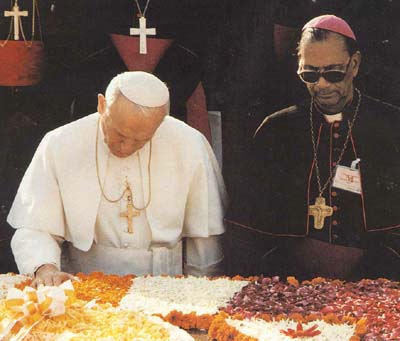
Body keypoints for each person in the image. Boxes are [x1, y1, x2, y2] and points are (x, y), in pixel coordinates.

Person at [8, 71, 227, 286]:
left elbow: (206, 236)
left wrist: (201, 290)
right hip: (82, 283)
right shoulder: (59, 143)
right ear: (102, 105)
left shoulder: (190, 144)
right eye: (120, 135)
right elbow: (34, 225)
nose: (127, 148)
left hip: (167, 286)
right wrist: (45, 268)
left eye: (141, 141)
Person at [225, 15, 400, 281]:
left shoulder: (392, 126)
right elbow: (246, 231)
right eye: (309, 74)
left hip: (378, 281)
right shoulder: (276, 129)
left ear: (355, 64)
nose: (321, 85)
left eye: (333, 73)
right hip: (290, 282)